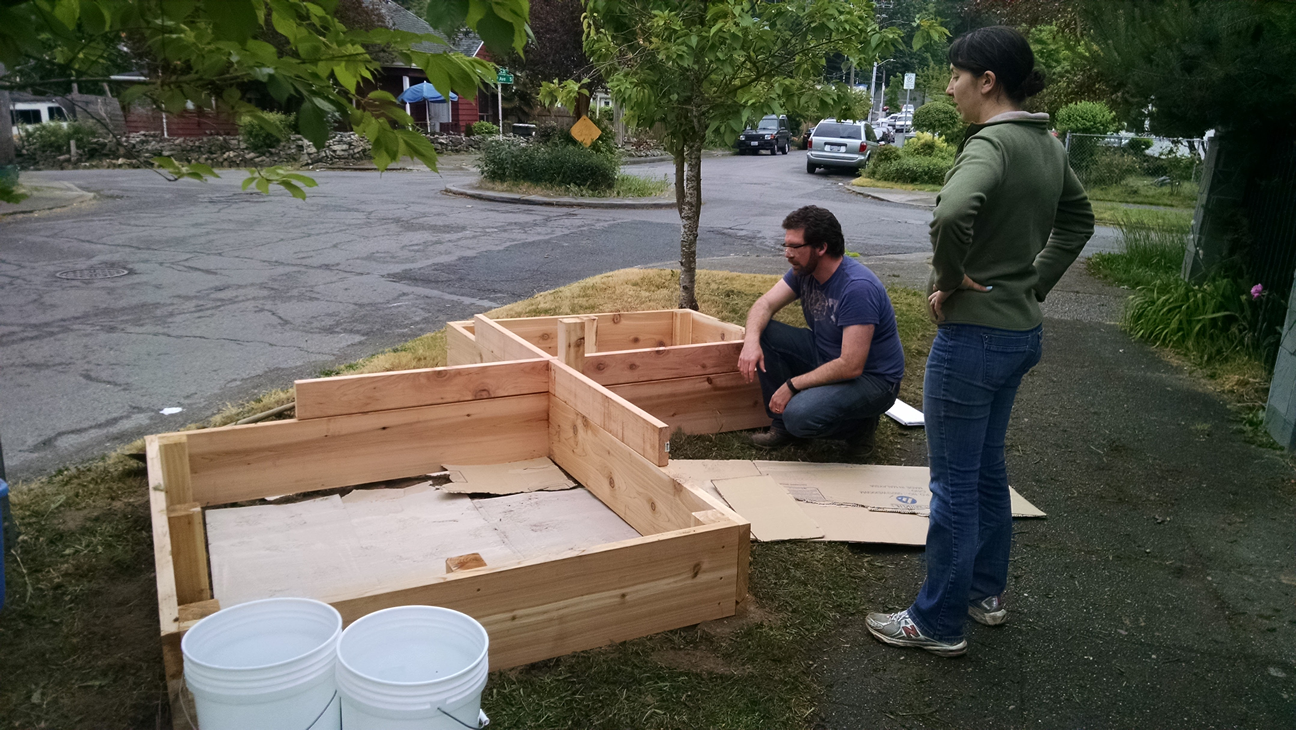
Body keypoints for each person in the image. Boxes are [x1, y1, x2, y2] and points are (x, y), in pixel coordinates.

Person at [865, 26, 1094, 656]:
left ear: (986, 81)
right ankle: (986, 592)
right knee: (987, 467)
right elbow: (1079, 219)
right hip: (1020, 333)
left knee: (954, 482)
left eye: (955, 75)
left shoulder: (990, 144)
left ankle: (937, 622)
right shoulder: (1046, 143)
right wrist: (1033, 282)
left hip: (974, 340)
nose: (949, 87)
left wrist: (948, 282)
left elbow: (950, 213)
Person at [738, 205, 905, 458]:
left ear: (821, 247)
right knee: (763, 332)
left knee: (799, 416)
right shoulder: (804, 271)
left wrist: (792, 386)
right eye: (786, 245)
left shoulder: (857, 288)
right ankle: (782, 426)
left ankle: (860, 426)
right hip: (826, 354)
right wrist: (751, 342)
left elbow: (851, 365)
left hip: (872, 381)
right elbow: (765, 304)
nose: (787, 253)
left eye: (795, 247)